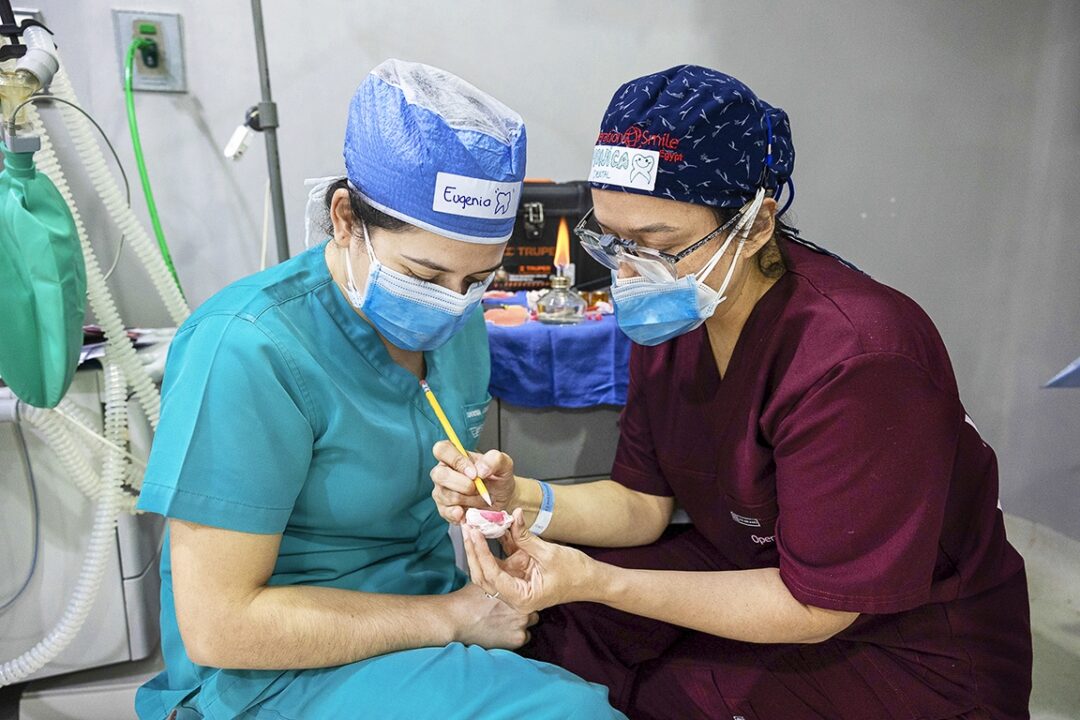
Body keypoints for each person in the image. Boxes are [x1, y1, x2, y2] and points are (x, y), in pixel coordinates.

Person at [431, 65, 1032, 719]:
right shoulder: (681, 314)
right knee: (557, 629)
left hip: (902, 637)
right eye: (615, 241)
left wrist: (603, 580)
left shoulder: (858, 358)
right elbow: (641, 504)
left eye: (660, 244)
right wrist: (520, 498)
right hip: (745, 563)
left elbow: (818, 605)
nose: (630, 274)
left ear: (756, 223)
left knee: (671, 692)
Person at [134, 59, 624, 720]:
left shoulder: (458, 329)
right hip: (271, 666)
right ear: (344, 218)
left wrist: (486, 517)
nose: (451, 307)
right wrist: (448, 617)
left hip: (430, 610)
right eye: (425, 273)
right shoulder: (248, 350)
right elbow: (221, 625)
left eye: (476, 279)